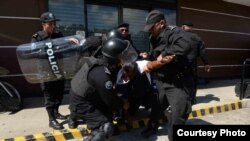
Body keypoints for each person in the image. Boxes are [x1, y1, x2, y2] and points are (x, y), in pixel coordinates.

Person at [68, 38, 138, 141]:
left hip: (88, 95)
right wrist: (123, 104)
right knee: (106, 128)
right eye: (122, 55)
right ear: (114, 57)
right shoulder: (102, 74)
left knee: (107, 117)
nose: (125, 57)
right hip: (81, 102)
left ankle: (95, 131)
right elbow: (110, 100)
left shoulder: (105, 62)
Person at [143, 10, 194, 141]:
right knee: (157, 107)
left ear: (161, 23)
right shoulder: (153, 36)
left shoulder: (175, 32)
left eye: (152, 28)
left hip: (177, 83)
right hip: (160, 80)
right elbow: (156, 54)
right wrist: (149, 57)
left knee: (178, 115)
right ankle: (152, 126)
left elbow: (185, 45)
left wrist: (164, 54)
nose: (150, 31)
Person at [31, 12, 68, 130]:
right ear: (43, 24)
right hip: (46, 72)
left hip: (58, 71)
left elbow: (64, 48)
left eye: (54, 23)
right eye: (50, 23)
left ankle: (56, 112)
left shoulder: (59, 34)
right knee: (50, 97)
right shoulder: (37, 37)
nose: (53, 26)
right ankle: (52, 119)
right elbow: (34, 53)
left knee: (59, 93)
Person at [115, 61, 163, 138]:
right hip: (132, 95)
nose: (129, 77)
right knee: (126, 112)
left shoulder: (143, 66)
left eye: (131, 75)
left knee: (156, 101)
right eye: (128, 75)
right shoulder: (121, 78)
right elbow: (122, 95)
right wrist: (126, 108)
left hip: (145, 91)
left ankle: (153, 125)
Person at [181, 21, 211, 104]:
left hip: (178, 64)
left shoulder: (177, 36)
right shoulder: (197, 37)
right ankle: (191, 100)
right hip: (191, 64)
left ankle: (181, 100)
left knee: (179, 82)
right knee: (192, 82)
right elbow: (203, 51)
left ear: (183, 27)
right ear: (191, 28)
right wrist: (206, 63)